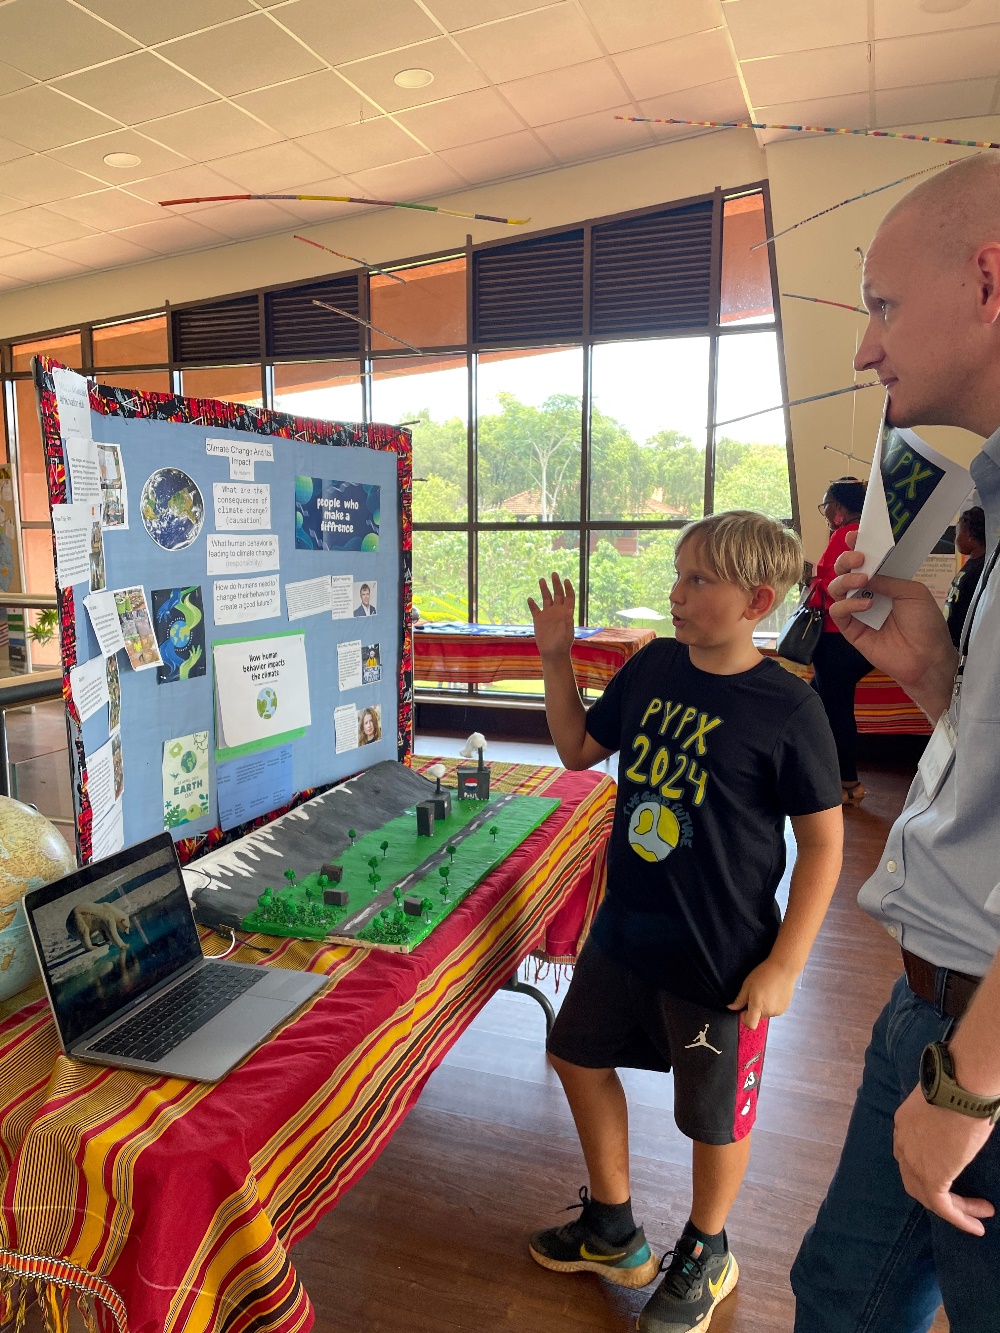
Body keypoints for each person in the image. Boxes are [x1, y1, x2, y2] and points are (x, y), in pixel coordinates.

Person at [527, 511, 843, 1333]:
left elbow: (822, 846)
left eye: (698, 579)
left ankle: (708, 1245)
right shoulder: (653, 667)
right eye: (678, 572)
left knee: (711, 1116)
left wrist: (787, 964)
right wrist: (555, 657)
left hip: (721, 959)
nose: (676, 590)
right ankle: (611, 1224)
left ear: (757, 599)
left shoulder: (786, 707)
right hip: (628, 932)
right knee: (574, 1054)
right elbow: (574, 748)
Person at [791, 153, 1000, 1333]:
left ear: (986, 281)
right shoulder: (993, 512)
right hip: (925, 1006)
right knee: (837, 1295)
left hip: (977, 1039)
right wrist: (936, 678)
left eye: (878, 304)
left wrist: (970, 1079)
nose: (866, 350)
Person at [810, 477, 873, 805]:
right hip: (861, 635)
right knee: (815, 701)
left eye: (826, 504)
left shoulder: (843, 535)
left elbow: (832, 586)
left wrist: (810, 581)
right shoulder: (871, 532)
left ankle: (847, 782)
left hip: (836, 636)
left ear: (839, 506)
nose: (825, 511)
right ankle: (820, 770)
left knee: (835, 711)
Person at [945, 506, 987, 649]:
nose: (955, 539)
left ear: (969, 534)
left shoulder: (982, 568)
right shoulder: (973, 563)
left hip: (965, 643)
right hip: (954, 641)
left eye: (957, 533)